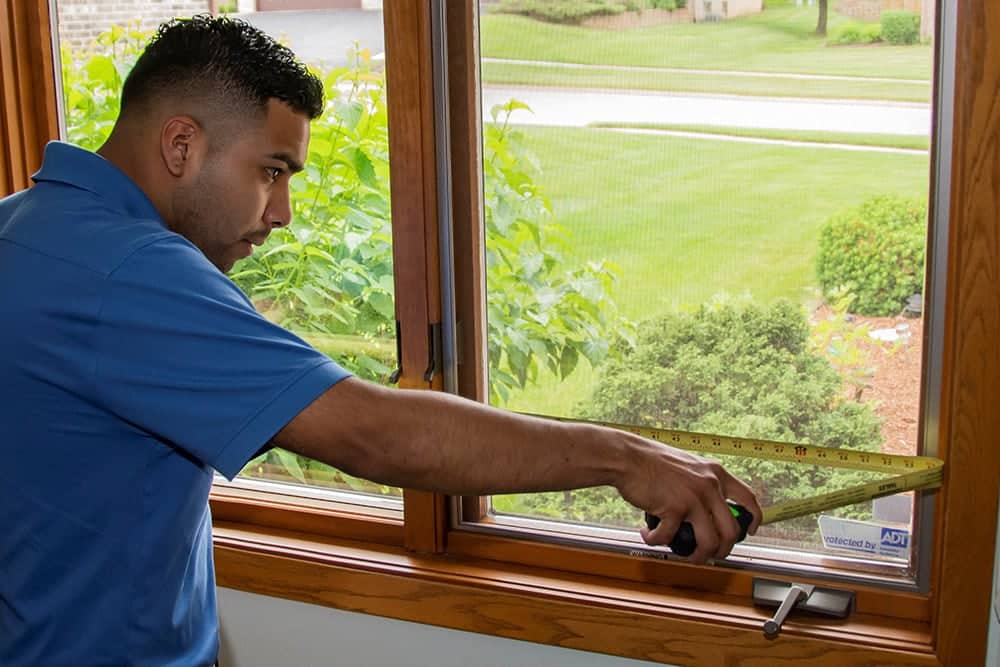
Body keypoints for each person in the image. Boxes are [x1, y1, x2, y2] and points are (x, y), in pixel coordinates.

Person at [0, 15, 760, 666]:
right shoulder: (131, 272)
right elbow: (372, 430)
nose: (282, 211)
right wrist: (624, 458)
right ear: (180, 145)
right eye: (271, 171)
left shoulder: (21, 226)